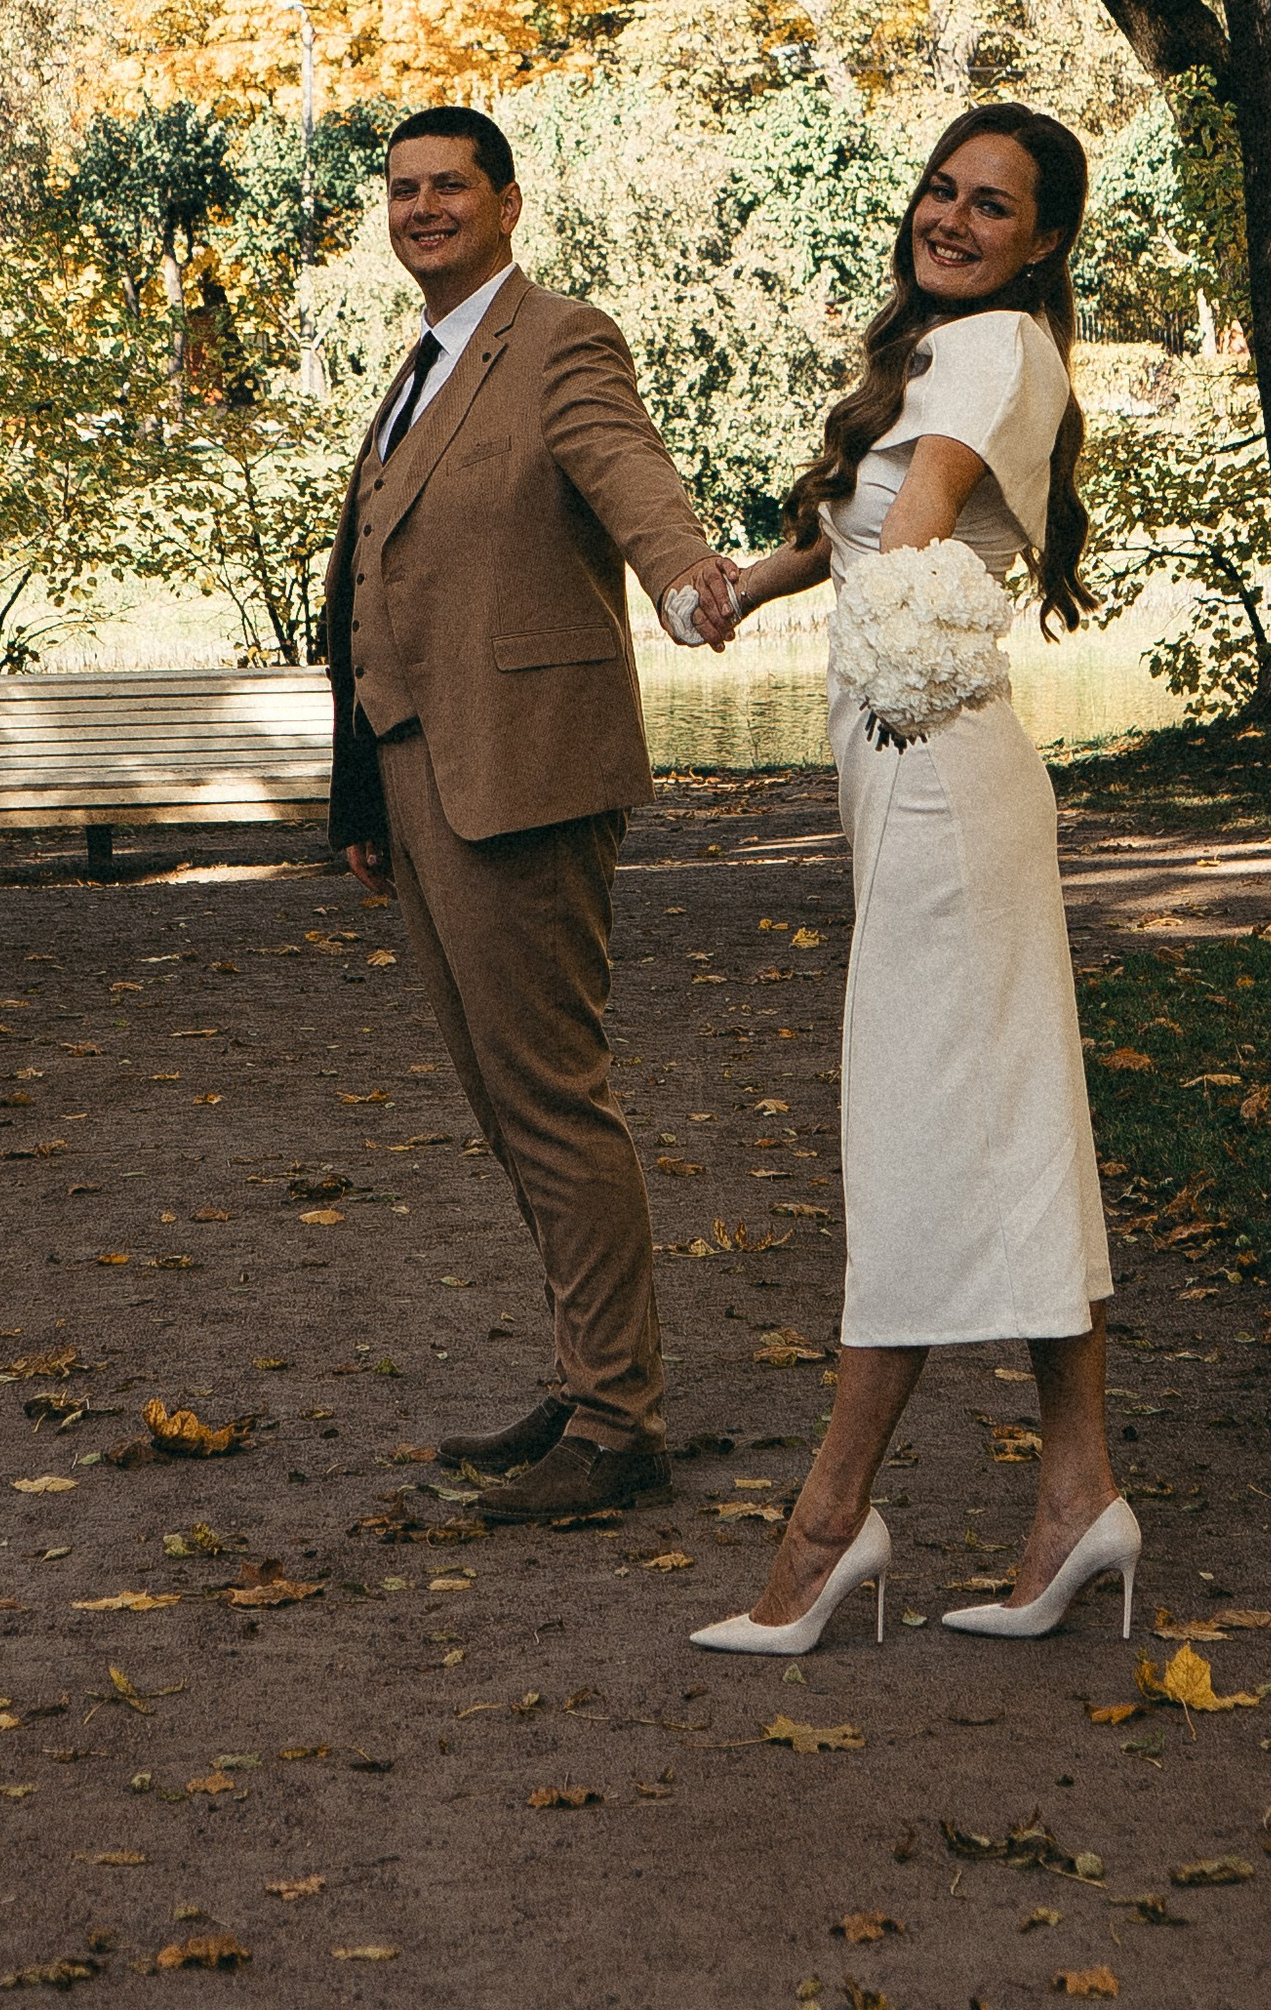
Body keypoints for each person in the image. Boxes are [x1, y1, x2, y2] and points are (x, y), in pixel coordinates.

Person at [687, 102, 1137, 1658]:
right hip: (921, 769)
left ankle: (828, 1526)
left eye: (991, 205)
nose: (950, 217)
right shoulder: (952, 349)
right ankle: (1077, 1493)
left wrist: (876, 664)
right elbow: (870, 534)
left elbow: (926, 523)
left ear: (1046, 239)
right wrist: (749, 584)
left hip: (936, 768)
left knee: (917, 1127)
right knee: (1012, 1118)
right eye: (941, 190)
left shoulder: (996, 349)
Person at [325, 106, 741, 1526]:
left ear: (508, 204)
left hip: (526, 776)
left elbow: (628, 476)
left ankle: (620, 1424)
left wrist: (684, 579)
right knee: (510, 1107)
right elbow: (373, 581)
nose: (422, 208)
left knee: (553, 1102)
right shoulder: (420, 367)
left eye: (450, 186)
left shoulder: (560, 340)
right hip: (421, 781)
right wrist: (361, 795)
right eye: (403, 190)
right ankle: (590, 1378)